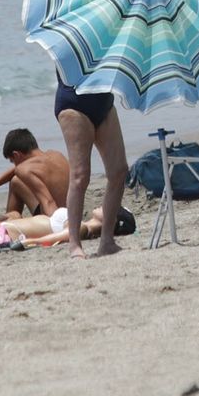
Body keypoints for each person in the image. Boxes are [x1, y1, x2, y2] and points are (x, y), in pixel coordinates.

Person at [53, 74, 128, 259]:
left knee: (119, 171)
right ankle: (74, 245)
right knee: (80, 175)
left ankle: (107, 240)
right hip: (74, 102)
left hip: (103, 100)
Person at [0, 128, 71, 219]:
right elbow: (15, 170)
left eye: (13, 161)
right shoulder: (56, 154)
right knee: (16, 181)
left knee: (15, 182)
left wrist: (58, 225)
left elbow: (48, 202)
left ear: (16, 155)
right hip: (71, 213)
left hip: (54, 217)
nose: (15, 166)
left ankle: (11, 222)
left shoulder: (24, 169)